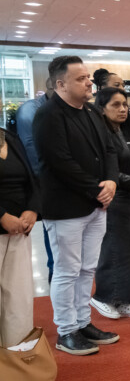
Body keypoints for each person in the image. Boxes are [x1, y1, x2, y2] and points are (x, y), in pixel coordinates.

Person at [33, 55, 119, 356]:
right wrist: (97, 189)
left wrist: (112, 181)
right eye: (81, 79)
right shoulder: (48, 115)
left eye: (88, 77)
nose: (89, 83)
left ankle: (83, 322)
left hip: (96, 204)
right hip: (66, 207)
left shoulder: (92, 111)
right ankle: (66, 330)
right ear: (61, 84)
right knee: (67, 270)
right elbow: (59, 162)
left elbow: (109, 150)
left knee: (87, 268)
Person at [90, 87, 130, 321]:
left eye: (125, 104)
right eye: (116, 105)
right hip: (115, 198)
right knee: (115, 251)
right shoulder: (100, 134)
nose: (123, 109)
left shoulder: (125, 130)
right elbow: (104, 170)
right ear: (101, 108)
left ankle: (124, 299)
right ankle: (103, 297)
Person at [0, 126, 39, 348]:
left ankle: (17, 355)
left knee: (19, 297)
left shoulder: (10, 137)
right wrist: (2, 216)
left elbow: (32, 179)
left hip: (19, 230)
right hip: (5, 222)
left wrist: (32, 209)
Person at [16, 77, 54, 282]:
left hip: (67, 184)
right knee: (54, 242)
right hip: (47, 183)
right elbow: (32, 153)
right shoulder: (30, 111)